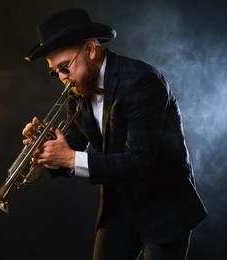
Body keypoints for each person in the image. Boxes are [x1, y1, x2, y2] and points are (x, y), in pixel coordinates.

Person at [22, 7, 207, 260]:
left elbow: (140, 163)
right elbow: (69, 158)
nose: (63, 78)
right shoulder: (77, 92)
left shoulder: (142, 81)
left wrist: (69, 158)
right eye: (56, 72)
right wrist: (45, 149)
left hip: (163, 207)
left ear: (89, 49)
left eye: (65, 67)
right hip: (119, 207)